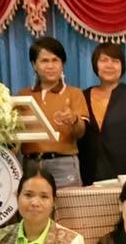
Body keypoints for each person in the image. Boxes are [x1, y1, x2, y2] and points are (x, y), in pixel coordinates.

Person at [19, 37, 89, 188]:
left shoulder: (74, 93)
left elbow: (81, 133)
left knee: (68, 204)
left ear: (62, 64)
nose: (50, 66)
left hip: (64, 165)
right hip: (30, 164)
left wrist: (74, 120)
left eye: (55, 60)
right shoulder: (23, 95)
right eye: (44, 61)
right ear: (34, 65)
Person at [78, 42, 126, 185]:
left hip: (125, 177)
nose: (109, 65)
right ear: (95, 64)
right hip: (87, 177)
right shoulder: (82, 96)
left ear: (122, 66)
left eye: (115, 61)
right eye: (104, 60)